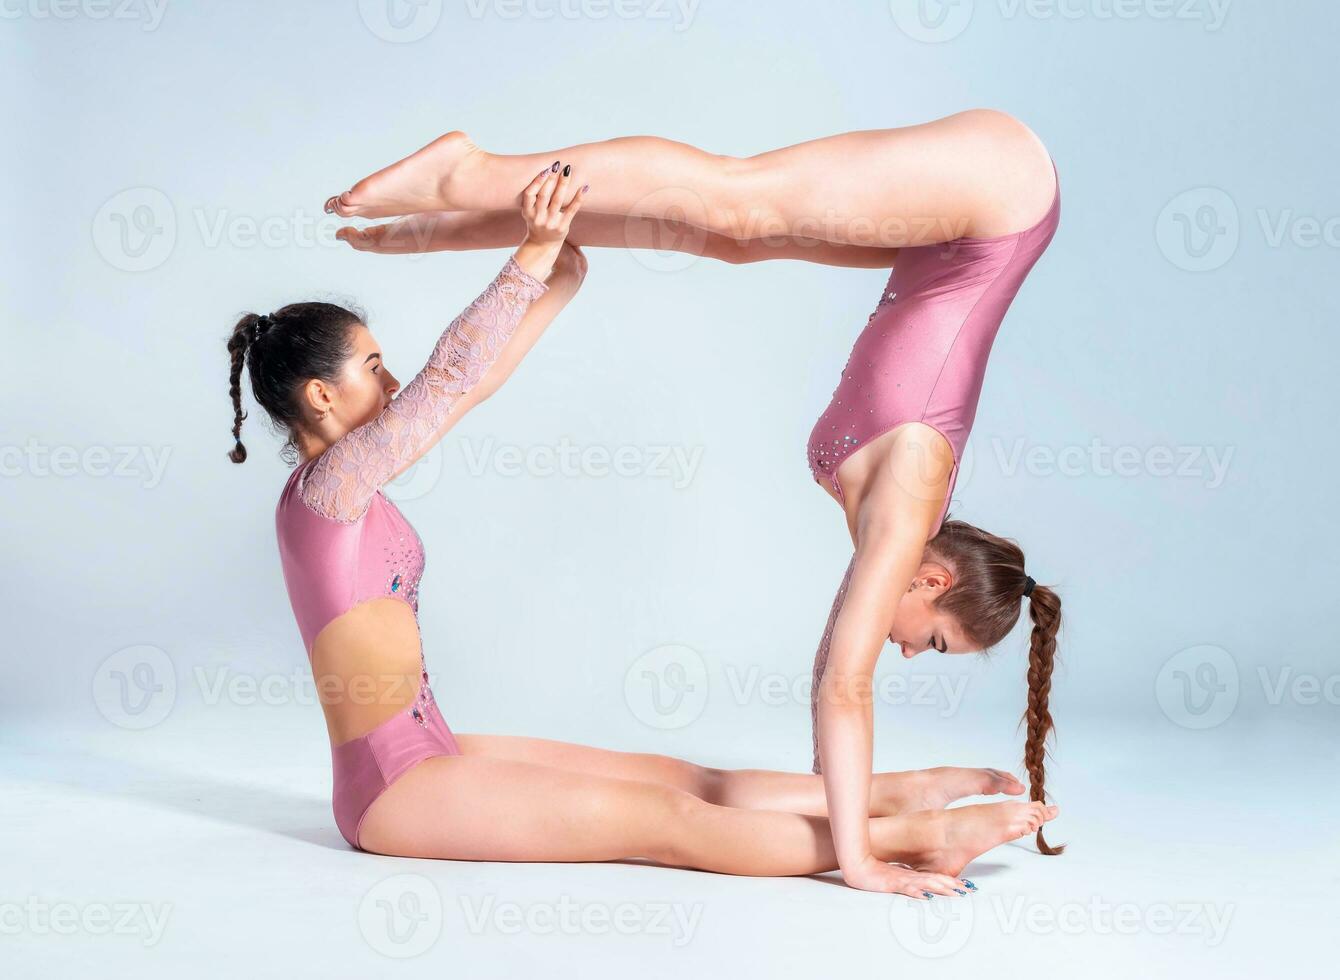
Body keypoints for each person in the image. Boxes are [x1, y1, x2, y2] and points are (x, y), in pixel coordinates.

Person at [319, 108, 1066, 893]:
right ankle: (464, 173)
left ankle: (454, 221)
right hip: (1004, 195)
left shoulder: (890, 528)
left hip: (970, 231)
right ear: (934, 583)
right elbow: (844, 685)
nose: (909, 652)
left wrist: (859, 815)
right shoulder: (906, 511)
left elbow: (830, 672)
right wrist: (862, 862)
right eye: (934, 643)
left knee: (737, 237)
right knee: (740, 202)